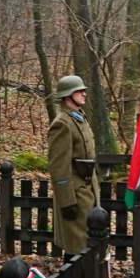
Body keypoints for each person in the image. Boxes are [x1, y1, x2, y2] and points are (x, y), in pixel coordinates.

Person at [47, 75, 100, 260]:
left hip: (88, 190)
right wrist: (68, 201)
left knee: (87, 245)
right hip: (76, 195)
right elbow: (58, 166)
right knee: (76, 247)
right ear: (68, 94)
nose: (84, 94)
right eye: (80, 91)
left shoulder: (78, 118)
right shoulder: (62, 123)